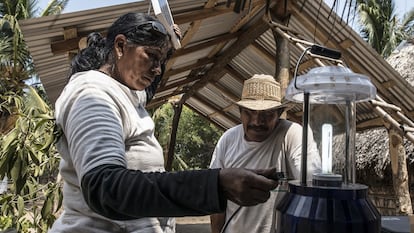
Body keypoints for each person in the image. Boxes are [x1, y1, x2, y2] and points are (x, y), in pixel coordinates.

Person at [49, 12, 281, 233]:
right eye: (151, 55)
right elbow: (105, 187)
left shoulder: (127, 93)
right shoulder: (91, 94)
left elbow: (149, 88)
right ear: (120, 46)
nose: (157, 68)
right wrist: (214, 185)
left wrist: (167, 50)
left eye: (161, 60)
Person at [209, 74, 322, 233]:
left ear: (279, 113)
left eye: (267, 113)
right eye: (249, 112)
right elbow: (216, 199)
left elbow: (311, 183)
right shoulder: (228, 140)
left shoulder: (292, 134)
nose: (257, 121)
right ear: (240, 112)